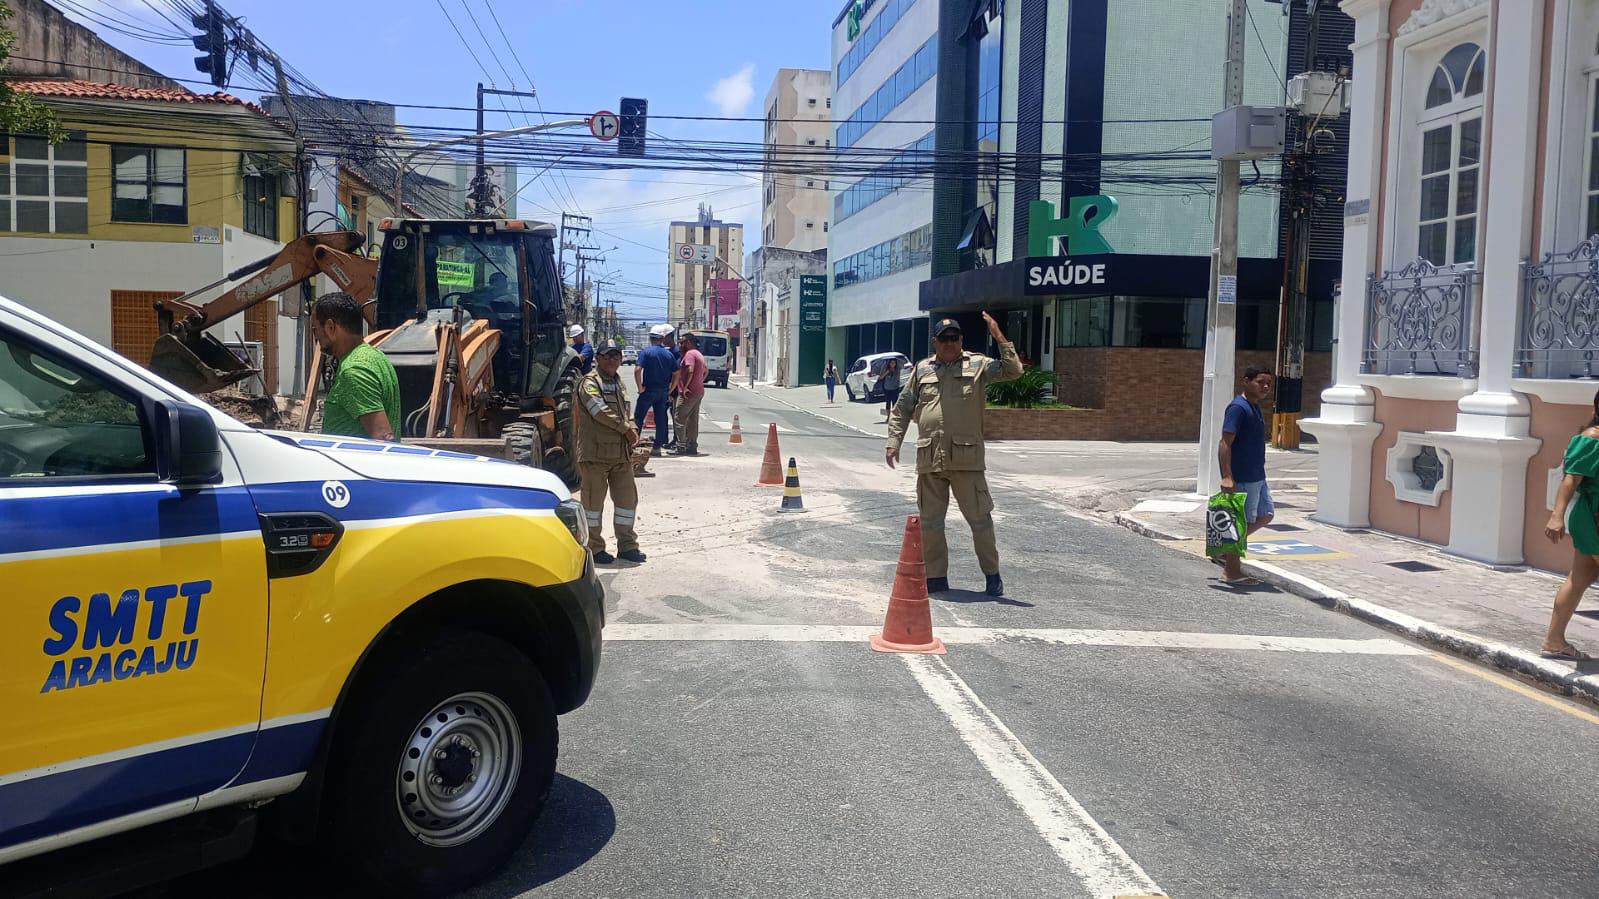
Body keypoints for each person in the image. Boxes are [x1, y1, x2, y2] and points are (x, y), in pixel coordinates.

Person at [887, 314, 1021, 597]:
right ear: (934, 342)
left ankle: (992, 575)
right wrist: (893, 442)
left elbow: (1014, 371)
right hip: (930, 457)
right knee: (931, 524)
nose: (949, 343)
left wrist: (999, 336)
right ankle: (936, 578)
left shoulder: (978, 365)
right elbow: (903, 407)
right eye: (944, 339)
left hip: (966, 459)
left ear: (961, 340)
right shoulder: (922, 369)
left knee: (980, 521)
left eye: (955, 338)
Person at [1541, 389, 1599, 660]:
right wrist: (1557, 515)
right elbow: (1570, 480)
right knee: (1579, 579)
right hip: (1593, 518)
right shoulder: (1592, 438)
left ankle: (1554, 641)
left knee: (1580, 579)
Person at [577, 340, 645, 564]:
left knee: (627, 502)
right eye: (607, 355)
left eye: (616, 356)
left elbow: (626, 411)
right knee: (593, 506)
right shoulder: (589, 383)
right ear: (597, 358)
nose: (612, 360)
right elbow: (599, 410)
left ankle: (627, 546)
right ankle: (594, 548)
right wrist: (626, 429)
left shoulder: (618, 382)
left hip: (620, 455)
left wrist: (633, 426)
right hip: (595, 455)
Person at [1217, 365, 1276, 586]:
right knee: (1239, 523)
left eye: (1268, 383)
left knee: (1266, 514)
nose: (1265, 387)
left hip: (1257, 475)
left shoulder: (1254, 407)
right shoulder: (1238, 408)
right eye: (1260, 382)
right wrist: (1227, 475)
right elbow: (1225, 442)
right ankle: (1231, 572)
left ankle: (1226, 550)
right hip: (1241, 477)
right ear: (1246, 381)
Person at [314, 291, 401, 441]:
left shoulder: (354, 371)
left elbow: (383, 437)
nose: (316, 336)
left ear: (330, 327)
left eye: (315, 329)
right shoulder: (375, 356)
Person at [634, 326, 678, 455]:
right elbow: (677, 373)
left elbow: (637, 370)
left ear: (650, 338)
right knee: (661, 419)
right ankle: (657, 447)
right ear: (662, 338)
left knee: (639, 417)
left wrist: (640, 388)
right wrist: (671, 389)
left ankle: (634, 444)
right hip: (663, 392)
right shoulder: (669, 354)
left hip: (648, 390)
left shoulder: (646, 352)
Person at [672, 332, 708, 456]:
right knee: (693, 420)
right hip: (698, 391)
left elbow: (690, 370)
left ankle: (681, 446)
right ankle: (692, 446)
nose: (680, 345)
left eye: (682, 342)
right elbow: (706, 371)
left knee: (679, 418)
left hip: (688, 393)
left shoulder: (690, 354)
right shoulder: (699, 354)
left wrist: (686, 387)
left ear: (688, 343)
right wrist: (699, 382)